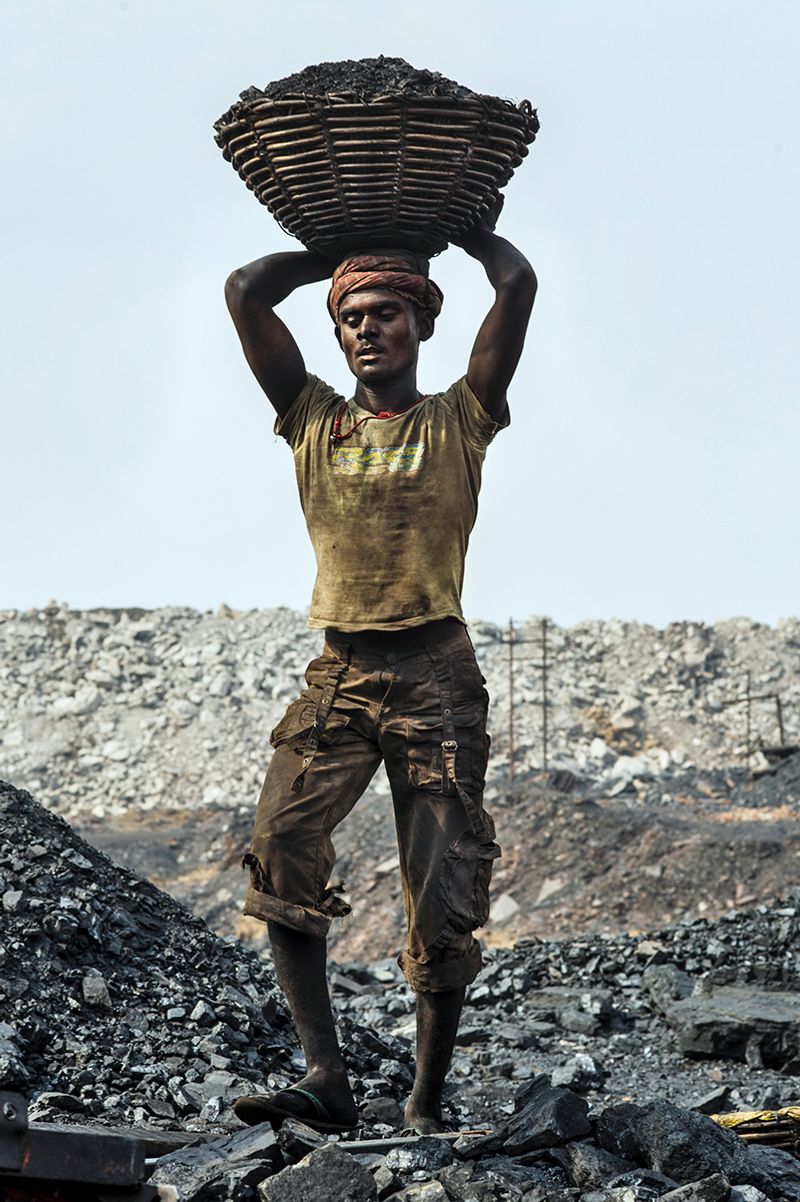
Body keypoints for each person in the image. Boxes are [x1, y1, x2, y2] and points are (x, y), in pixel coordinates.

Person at [224, 206, 536, 1136]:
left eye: (386, 314)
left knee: (442, 895)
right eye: (352, 316)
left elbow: (516, 285)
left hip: (437, 679)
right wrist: (337, 248)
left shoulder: (459, 420)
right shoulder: (311, 418)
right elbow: (245, 291)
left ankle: (426, 1101)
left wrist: (458, 227)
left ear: (422, 324)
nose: (367, 329)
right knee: (281, 848)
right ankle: (326, 1077)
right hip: (342, 674)